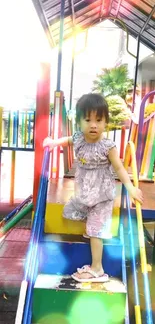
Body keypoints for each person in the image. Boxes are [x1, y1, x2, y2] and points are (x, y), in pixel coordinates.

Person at [43, 93, 143, 283]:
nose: (93, 124)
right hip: (83, 195)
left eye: (99, 120)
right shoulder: (79, 138)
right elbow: (68, 140)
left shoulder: (108, 146)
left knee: (95, 232)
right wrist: (54, 143)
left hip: (102, 197)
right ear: (79, 121)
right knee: (68, 212)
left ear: (106, 122)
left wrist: (130, 188)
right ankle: (94, 226)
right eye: (87, 119)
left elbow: (119, 167)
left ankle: (98, 269)